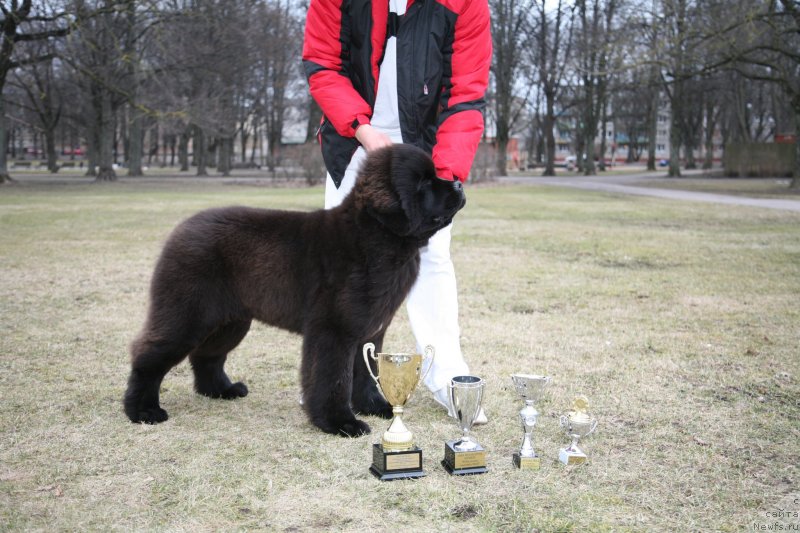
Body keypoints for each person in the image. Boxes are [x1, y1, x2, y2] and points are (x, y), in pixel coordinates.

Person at [302, 0, 491, 423]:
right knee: (343, 266)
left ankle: (448, 378)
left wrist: (441, 178)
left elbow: (467, 94)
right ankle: (328, 381)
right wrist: (363, 129)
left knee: (433, 258)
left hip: (425, 146)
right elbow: (322, 65)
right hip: (353, 139)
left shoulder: (466, 4)